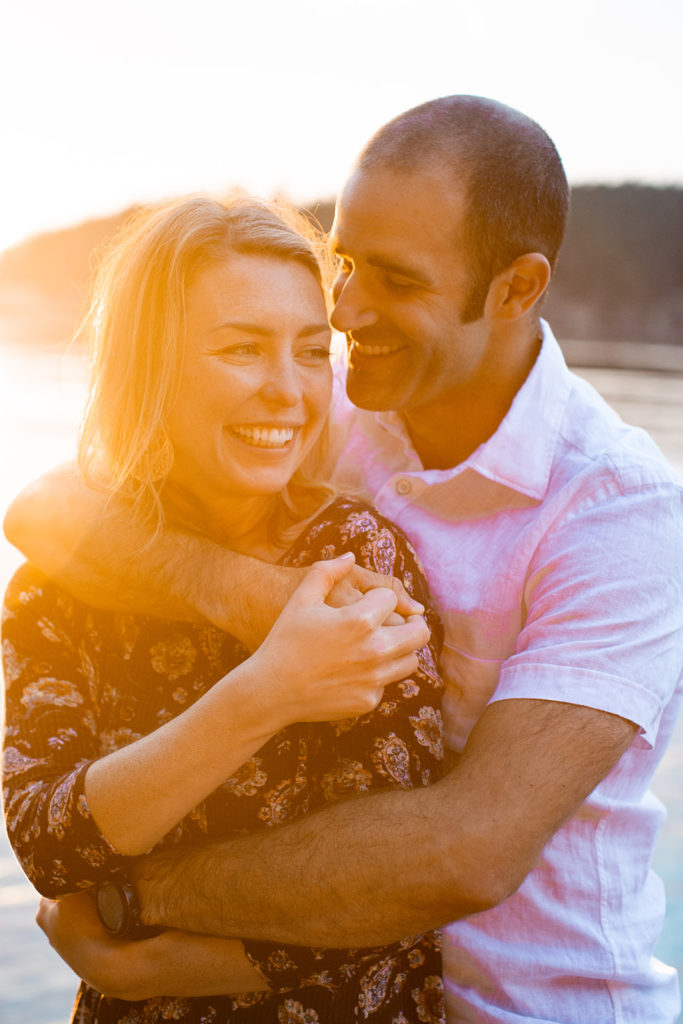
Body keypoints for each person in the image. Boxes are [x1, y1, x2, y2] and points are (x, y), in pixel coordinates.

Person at [5, 95, 683, 1023]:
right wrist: (257, 598)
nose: (346, 309)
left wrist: (129, 896)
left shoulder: (619, 513)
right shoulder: (334, 405)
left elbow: (465, 851)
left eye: (395, 281)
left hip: (529, 1007)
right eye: (345, 262)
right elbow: (49, 508)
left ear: (516, 290)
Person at [1, 194, 448, 1023]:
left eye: (313, 352)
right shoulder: (57, 584)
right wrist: (267, 692)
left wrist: (145, 955)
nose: (287, 391)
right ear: (150, 365)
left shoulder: (355, 556)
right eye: (242, 349)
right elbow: (47, 845)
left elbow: (392, 900)